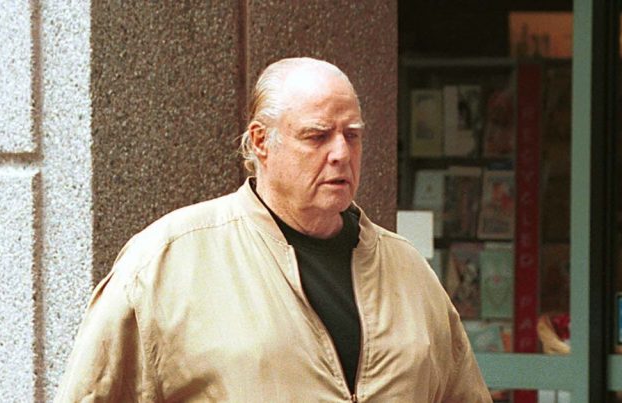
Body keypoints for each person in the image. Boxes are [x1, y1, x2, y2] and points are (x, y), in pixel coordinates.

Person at [55, 57, 491, 402]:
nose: (341, 153)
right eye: (317, 136)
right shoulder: (166, 262)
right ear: (262, 141)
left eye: (352, 135)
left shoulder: (407, 270)